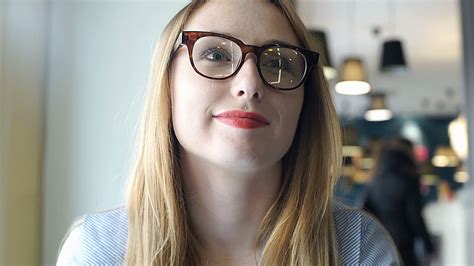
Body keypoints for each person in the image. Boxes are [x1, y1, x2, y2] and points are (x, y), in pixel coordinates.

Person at [57, 0, 400, 265]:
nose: (249, 85)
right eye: (216, 54)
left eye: (279, 63)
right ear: (168, 83)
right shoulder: (98, 250)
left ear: (304, 102)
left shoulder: (359, 249)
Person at [364, 139, 434, 266]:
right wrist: (429, 246)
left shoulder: (374, 182)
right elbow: (415, 217)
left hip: (381, 243)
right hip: (405, 247)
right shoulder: (409, 179)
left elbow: (365, 213)